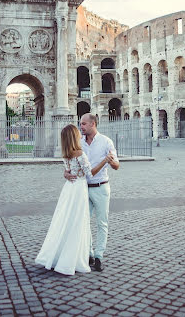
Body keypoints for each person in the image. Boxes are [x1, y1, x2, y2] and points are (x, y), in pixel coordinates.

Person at [35, 124, 111, 275]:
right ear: (73, 137)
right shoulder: (80, 153)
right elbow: (91, 174)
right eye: (77, 133)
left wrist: (66, 174)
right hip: (79, 189)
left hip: (69, 188)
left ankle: (61, 254)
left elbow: (68, 171)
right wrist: (105, 160)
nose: (80, 135)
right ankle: (75, 257)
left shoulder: (66, 154)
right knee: (78, 222)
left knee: (66, 220)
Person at [65, 113, 119, 272]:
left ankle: (99, 256)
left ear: (93, 124)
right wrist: (65, 173)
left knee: (102, 223)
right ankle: (88, 253)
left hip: (101, 187)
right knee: (84, 222)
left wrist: (111, 160)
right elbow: (70, 163)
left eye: (83, 124)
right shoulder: (78, 142)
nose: (80, 127)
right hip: (83, 189)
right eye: (80, 124)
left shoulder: (106, 141)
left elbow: (116, 166)